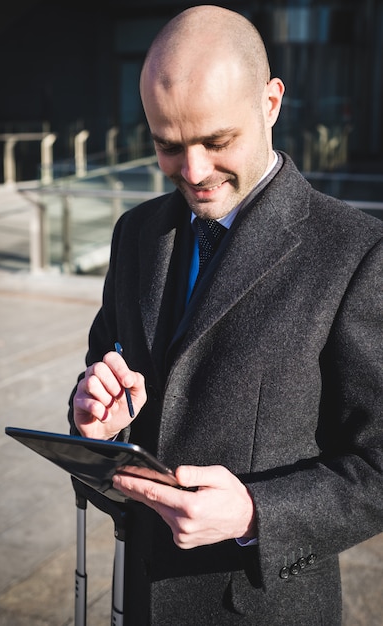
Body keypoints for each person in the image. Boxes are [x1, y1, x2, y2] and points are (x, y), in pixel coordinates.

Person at [68, 5, 383, 625]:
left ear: (271, 103)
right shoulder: (136, 234)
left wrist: (254, 514)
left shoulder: (357, 253)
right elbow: (103, 369)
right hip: (139, 596)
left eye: (217, 142)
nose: (193, 173)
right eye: (167, 146)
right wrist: (95, 425)